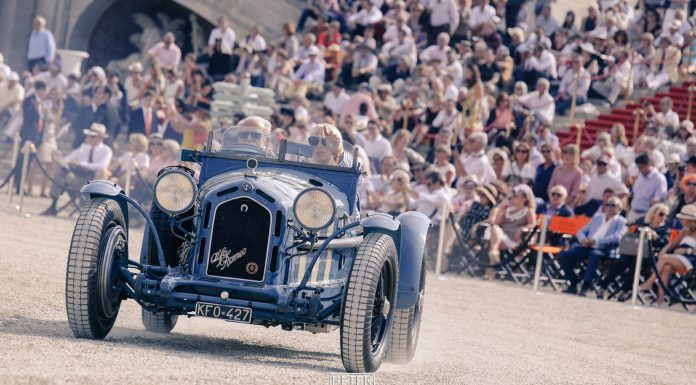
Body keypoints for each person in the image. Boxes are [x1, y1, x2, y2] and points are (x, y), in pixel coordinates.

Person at [597, 203, 670, 301]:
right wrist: (634, 228)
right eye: (661, 214)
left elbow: (664, 243)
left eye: (666, 215)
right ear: (653, 213)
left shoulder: (665, 229)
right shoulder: (643, 224)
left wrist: (654, 236)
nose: (663, 217)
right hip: (632, 251)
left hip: (649, 255)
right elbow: (632, 231)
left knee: (636, 263)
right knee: (622, 261)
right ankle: (603, 286)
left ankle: (625, 290)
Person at [559, 196, 628, 296]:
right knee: (566, 255)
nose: (609, 207)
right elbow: (581, 231)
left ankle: (586, 285)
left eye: (613, 205)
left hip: (605, 249)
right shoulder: (597, 217)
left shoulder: (622, 222)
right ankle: (573, 282)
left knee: (594, 255)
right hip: (587, 246)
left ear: (619, 208)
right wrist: (583, 239)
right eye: (607, 204)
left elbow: (618, 237)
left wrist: (596, 241)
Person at [41, 123, 113, 216]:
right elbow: (67, 159)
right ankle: (53, 205)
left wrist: (81, 164)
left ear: (100, 138)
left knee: (101, 172)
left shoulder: (106, 150)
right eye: (89, 136)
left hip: (92, 179)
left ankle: (65, 171)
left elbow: (102, 166)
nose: (89, 138)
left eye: (92, 136)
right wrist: (69, 164)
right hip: (76, 176)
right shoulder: (83, 148)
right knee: (59, 163)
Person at [640, 204, 696, 305]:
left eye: (683, 219)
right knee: (666, 268)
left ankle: (649, 282)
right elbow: (672, 244)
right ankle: (660, 301)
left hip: (691, 260)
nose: (681, 221)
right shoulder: (684, 232)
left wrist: (687, 251)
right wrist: (664, 250)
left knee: (665, 259)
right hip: (680, 259)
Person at [485, 184, 537, 280]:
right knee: (495, 231)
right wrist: (501, 210)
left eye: (515, 196)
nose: (512, 197)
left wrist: (521, 229)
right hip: (501, 236)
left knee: (494, 239)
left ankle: (490, 269)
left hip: (515, 239)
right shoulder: (508, 210)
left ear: (524, 199)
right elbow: (497, 222)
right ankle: (494, 255)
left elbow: (532, 226)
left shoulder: (528, 211)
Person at [629, 152, 668, 223]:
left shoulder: (659, 178)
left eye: (642, 167)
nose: (640, 169)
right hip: (633, 213)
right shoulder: (640, 176)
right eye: (638, 167)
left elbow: (658, 199)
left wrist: (649, 216)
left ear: (649, 164)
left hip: (646, 215)